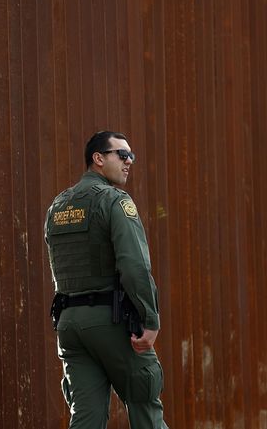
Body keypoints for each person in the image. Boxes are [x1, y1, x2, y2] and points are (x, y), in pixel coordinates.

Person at [45, 131, 168, 428]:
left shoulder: (58, 207)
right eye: (122, 155)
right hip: (110, 322)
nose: (129, 162)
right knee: (145, 406)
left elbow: (60, 267)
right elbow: (134, 266)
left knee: (85, 418)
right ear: (98, 159)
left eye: (131, 156)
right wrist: (150, 319)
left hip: (70, 326)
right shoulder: (114, 201)